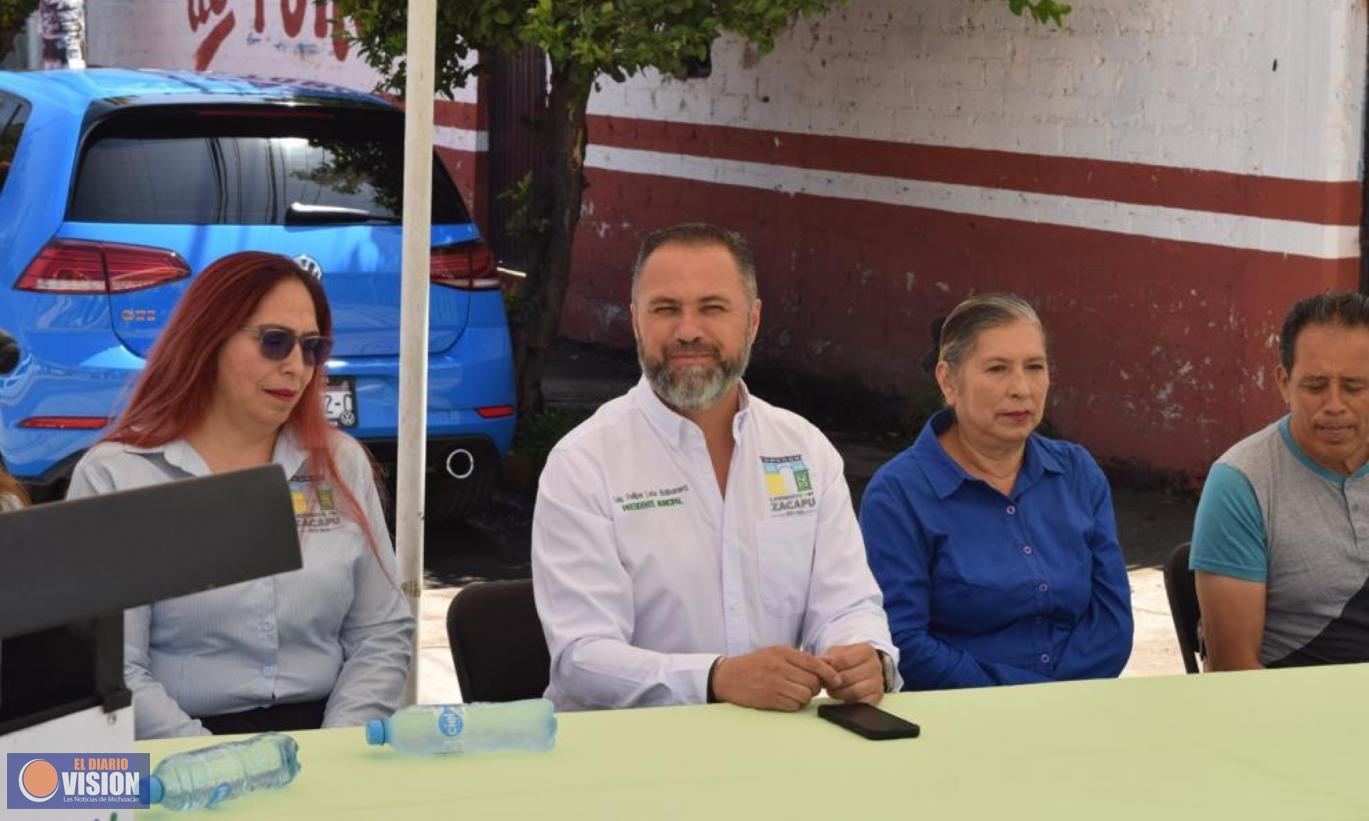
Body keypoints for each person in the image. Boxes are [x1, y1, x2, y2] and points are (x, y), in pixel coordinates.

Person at [532, 223, 899, 712]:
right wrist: (714, 679)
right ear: (637, 320)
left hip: (784, 748)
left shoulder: (805, 449)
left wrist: (865, 655)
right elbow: (581, 659)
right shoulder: (583, 464)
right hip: (628, 761)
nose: (688, 331)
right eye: (666, 309)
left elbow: (847, 603)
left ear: (752, 320)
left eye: (712, 307)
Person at [66, 251, 413, 739]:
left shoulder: (339, 461)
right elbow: (113, 672)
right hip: (174, 751)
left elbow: (381, 632)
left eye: (311, 347)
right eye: (275, 342)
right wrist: (218, 764)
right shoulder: (117, 475)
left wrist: (338, 748)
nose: (297, 367)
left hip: (326, 737)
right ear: (208, 340)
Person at [860, 293, 1133, 690]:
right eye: (998, 369)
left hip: (1079, 708)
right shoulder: (900, 494)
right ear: (948, 380)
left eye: (1034, 367)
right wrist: (1017, 698)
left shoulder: (1076, 473)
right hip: (959, 719)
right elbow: (904, 642)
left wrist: (1060, 698)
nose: (1021, 388)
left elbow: (1112, 622)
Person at [1191, 292, 1369, 670]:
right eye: (1315, 386)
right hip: (1300, 717)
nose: (1335, 404)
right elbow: (1232, 670)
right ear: (1284, 383)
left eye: (1355, 387)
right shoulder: (1242, 483)